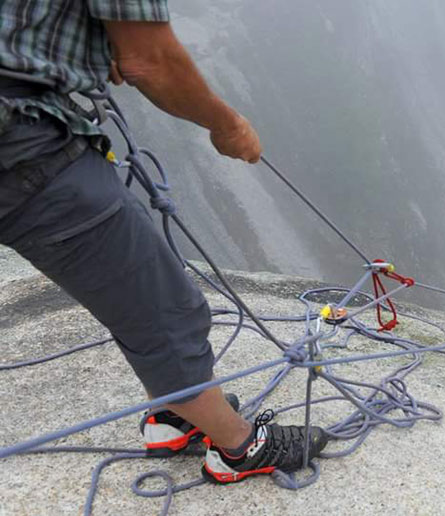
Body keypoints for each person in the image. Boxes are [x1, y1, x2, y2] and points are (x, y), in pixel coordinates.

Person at [0, 1, 326, 484]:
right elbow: (149, 60)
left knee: (141, 291)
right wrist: (227, 124)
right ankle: (238, 447)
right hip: (22, 142)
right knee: (162, 306)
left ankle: (176, 419)